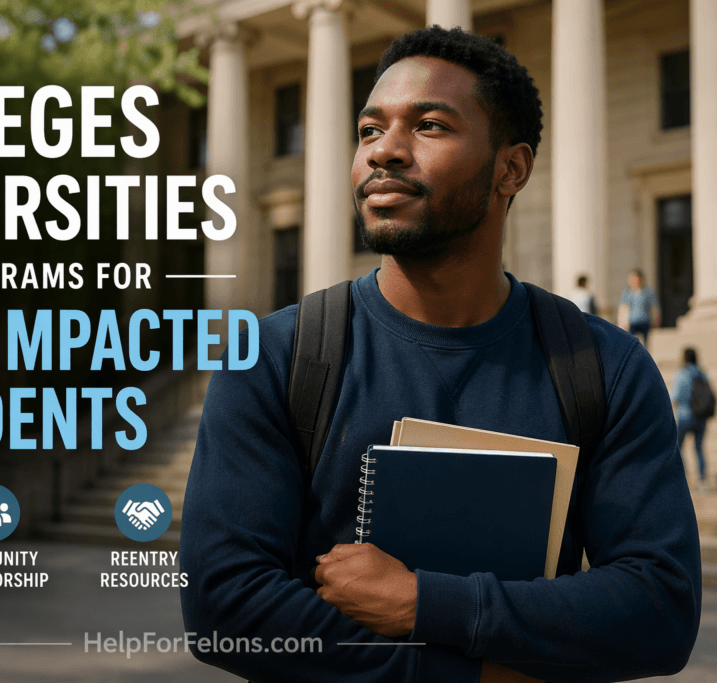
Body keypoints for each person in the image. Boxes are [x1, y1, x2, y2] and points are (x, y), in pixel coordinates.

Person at [180, 26, 700, 683]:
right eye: (369, 129)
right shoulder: (273, 357)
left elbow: (661, 606)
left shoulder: (605, 367)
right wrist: (482, 673)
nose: (385, 152)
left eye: (428, 125)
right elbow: (224, 605)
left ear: (511, 168)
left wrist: (423, 601)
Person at [673, 347, 711, 490]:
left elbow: (676, 396)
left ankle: (682, 479)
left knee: (678, 448)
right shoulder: (702, 373)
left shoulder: (682, 374)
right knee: (699, 449)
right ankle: (702, 481)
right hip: (701, 417)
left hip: (684, 416)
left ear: (685, 358)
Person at [618, 269, 659, 346]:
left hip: (645, 321)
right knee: (630, 342)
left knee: (646, 343)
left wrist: (656, 320)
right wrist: (622, 323)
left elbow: (654, 308)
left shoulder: (648, 292)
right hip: (632, 321)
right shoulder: (627, 293)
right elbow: (623, 308)